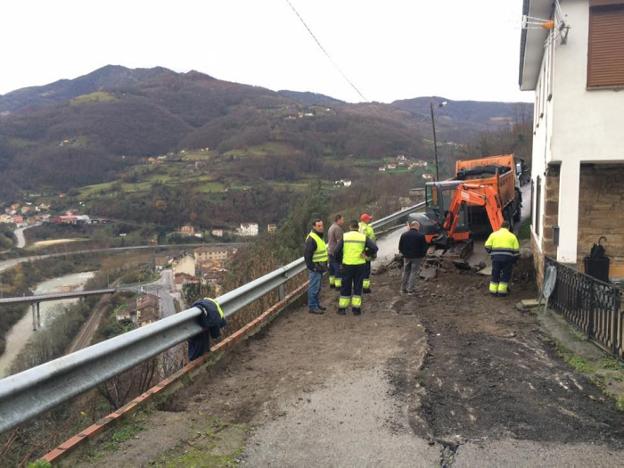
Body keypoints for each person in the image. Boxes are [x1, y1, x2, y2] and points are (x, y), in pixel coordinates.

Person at [334, 220, 378, 315]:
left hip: (347, 265)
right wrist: (366, 253)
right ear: (358, 228)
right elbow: (374, 248)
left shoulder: (345, 236)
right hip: (360, 265)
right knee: (358, 286)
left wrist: (340, 261)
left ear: (350, 227)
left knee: (346, 286)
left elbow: (336, 251)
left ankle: (342, 309)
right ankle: (356, 309)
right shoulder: (363, 237)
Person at [484, 220, 520, 297]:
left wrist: (492, 253)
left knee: (495, 274)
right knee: (506, 274)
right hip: (507, 259)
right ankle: (502, 292)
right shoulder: (512, 236)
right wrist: (514, 260)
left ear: (501, 227)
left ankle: (493, 291)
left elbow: (487, 246)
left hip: (496, 259)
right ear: (508, 227)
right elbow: (516, 251)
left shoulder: (493, 235)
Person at [304, 218, 328, 314]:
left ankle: (316, 305)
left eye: (322, 225)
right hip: (315, 268)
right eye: (319, 226)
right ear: (314, 226)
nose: (321, 227)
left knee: (317, 288)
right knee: (313, 288)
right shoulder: (311, 239)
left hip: (320, 267)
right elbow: (307, 256)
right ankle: (312, 307)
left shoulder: (318, 236)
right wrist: (313, 267)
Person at [399, 220, 428, 294]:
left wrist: (404, 254)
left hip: (406, 257)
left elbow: (400, 247)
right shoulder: (421, 235)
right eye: (418, 226)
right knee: (413, 273)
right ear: (416, 226)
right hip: (417, 257)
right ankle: (410, 290)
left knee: (406, 272)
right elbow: (424, 248)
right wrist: (422, 255)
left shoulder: (404, 235)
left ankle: (403, 289)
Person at [358, 213, 376, 293]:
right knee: (366, 270)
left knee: (358, 270)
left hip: (357, 251)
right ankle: (365, 288)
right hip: (366, 251)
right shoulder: (368, 228)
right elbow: (372, 241)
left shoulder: (357, 226)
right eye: (369, 219)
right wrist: (373, 252)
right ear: (365, 220)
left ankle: (357, 286)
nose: (370, 220)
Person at [327, 214, 344, 290]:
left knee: (332, 269)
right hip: (335, 251)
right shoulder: (337, 228)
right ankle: (338, 286)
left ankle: (332, 283)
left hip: (330, 251)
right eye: (342, 220)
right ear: (338, 220)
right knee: (337, 269)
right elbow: (339, 242)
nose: (343, 221)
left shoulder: (331, 227)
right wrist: (342, 252)